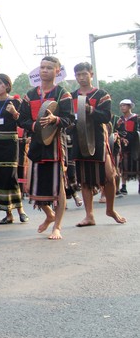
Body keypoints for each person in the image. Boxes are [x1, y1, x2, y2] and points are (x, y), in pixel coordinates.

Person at [18, 56, 74, 240]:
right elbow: (21, 119)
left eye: (49, 67)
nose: (44, 70)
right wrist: (35, 126)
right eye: (42, 67)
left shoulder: (62, 94)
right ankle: (49, 214)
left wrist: (55, 120)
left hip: (55, 146)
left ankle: (57, 227)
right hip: (35, 145)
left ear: (57, 71)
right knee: (31, 187)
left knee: (59, 189)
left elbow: (69, 119)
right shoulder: (30, 95)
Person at [70, 62, 126, 226]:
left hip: (98, 140)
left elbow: (106, 117)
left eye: (84, 74)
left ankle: (110, 209)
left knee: (109, 176)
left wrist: (91, 111)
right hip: (80, 140)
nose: (81, 77)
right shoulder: (71, 96)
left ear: (91, 74)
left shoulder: (102, 95)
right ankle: (89, 215)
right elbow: (68, 117)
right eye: (78, 75)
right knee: (85, 180)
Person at [0, 74, 29, 224]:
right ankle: (8, 213)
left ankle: (21, 210)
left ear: (6, 85)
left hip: (10, 143)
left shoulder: (15, 102)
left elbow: (23, 121)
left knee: (11, 176)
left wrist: (14, 113)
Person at [115, 98, 139, 195]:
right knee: (123, 166)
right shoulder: (120, 120)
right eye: (121, 106)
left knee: (138, 164)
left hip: (135, 145)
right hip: (123, 145)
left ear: (129, 107)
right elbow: (117, 131)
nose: (122, 107)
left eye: (124, 105)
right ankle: (123, 186)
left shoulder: (136, 118)